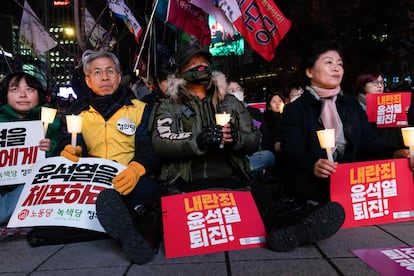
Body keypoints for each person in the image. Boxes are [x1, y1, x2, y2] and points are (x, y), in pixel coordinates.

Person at [151, 44, 345, 253]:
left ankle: (295, 228)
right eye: (193, 64)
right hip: (185, 180)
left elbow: (254, 138)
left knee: (266, 204)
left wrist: (236, 138)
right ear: (180, 72)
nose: (200, 68)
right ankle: (142, 236)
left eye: (204, 63)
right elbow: (161, 142)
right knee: (161, 214)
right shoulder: (167, 106)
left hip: (233, 178)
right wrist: (197, 141)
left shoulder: (230, 102)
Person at [58, 50, 160, 264]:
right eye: (97, 72)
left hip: (129, 177)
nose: (104, 77)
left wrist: (136, 169)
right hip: (93, 180)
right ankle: (132, 222)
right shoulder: (75, 113)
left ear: (118, 76)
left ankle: (130, 223)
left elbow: (148, 145)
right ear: (88, 80)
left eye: (109, 71)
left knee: (147, 189)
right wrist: (69, 149)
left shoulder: (141, 109)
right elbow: (67, 140)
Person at [280, 40, 409, 204]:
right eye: (329, 62)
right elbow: (292, 152)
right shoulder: (296, 110)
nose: (336, 68)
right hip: (315, 176)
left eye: (339, 64)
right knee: (305, 187)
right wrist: (313, 165)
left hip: (351, 173)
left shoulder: (350, 105)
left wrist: (394, 152)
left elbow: (369, 140)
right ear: (310, 71)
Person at [0, 72, 60, 226]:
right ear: (5, 94)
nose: (22, 95)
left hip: (30, 184)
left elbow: (60, 158)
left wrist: (50, 148)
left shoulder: (51, 123)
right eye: (15, 90)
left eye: (29, 89)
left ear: (39, 95)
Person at [227, 80, 275, 173]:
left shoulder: (254, 112)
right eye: (232, 90)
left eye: (238, 89)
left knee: (269, 157)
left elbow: (264, 135)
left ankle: (243, 170)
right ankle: (246, 170)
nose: (236, 92)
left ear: (243, 91)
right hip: (235, 155)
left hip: (254, 154)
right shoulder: (224, 112)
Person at [355, 71, 405, 150]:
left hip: (392, 150)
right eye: (375, 83)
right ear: (363, 85)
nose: (380, 86)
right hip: (369, 153)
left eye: (382, 83)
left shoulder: (390, 103)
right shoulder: (354, 106)